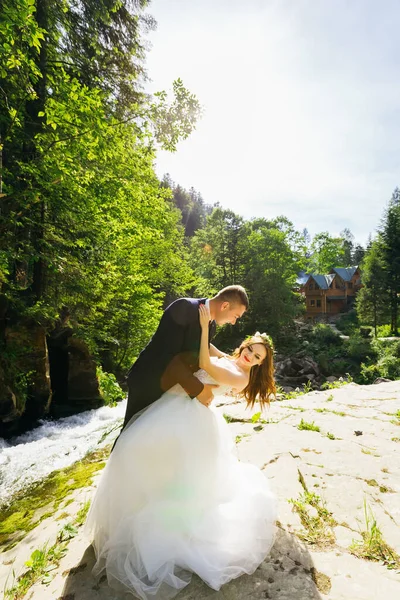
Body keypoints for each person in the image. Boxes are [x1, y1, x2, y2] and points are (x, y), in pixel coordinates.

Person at [85, 303, 277, 600]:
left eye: (257, 357)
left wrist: (202, 330)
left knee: (180, 469)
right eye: (250, 349)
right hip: (177, 403)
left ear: (260, 364)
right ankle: (138, 508)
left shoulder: (242, 377)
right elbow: (213, 353)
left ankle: (174, 523)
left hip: (193, 418)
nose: (250, 356)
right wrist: (207, 332)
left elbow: (206, 363)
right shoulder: (231, 358)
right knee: (140, 453)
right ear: (244, 345)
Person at [120, 285, 249, 431]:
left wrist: (224, 357)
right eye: (235, 316)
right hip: (149, 382)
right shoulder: (185, 308)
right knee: (131, 436)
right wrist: (199, 389)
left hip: (171, 391)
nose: (233, 322)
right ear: (225, 306)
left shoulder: (211, 325)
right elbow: (168, 357)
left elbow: (200, 348)